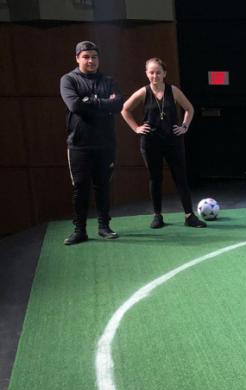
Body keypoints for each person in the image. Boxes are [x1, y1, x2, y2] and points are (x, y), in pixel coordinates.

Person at [120, 58, 206, 229]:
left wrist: (184, 126)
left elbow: (189, 108)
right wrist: (136, 128)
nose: (155, 75)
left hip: (173, 140)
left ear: (164, 73)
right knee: (155, 178)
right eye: (151, 72)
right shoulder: (144, 92)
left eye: (158, 72)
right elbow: (125, 109)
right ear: (146, 73)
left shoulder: (173, 90)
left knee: (180, 177)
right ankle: (157, 215)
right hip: (151, 141)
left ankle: (189, 215)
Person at [59, 41, 123, 245]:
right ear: (77, 58)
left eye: (94, 57)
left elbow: (118, 103)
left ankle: (104, 226)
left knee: (102, 186)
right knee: (80, 187)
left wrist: (91, 101)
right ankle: (80, 231)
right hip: (79, 145)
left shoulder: (108, 80)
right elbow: (75, 106)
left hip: (105, 144)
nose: (91, 60)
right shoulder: (68, 80)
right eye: (86, 56)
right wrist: (104, 104)